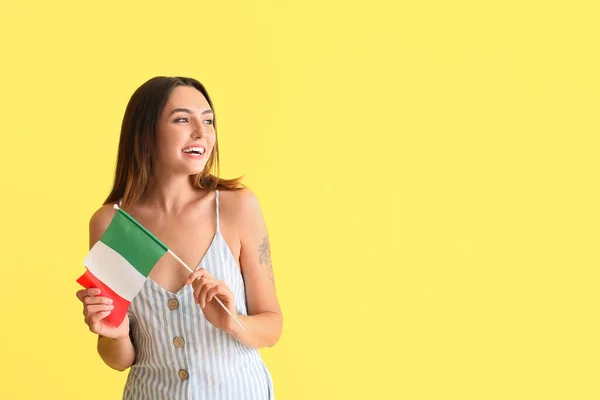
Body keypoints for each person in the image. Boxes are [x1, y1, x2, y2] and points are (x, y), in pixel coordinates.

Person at [75, 76, 282, 399]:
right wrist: (114, 335)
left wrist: (232, 322)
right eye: (183, 119)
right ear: (146, 132)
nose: (201, 132)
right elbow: (118, 360)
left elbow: (272, 327)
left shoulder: (236, 207)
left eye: (208, 121)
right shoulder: (111, 224)